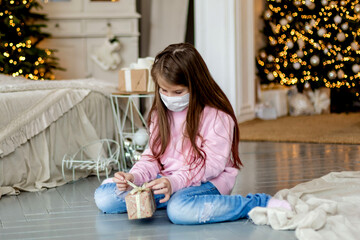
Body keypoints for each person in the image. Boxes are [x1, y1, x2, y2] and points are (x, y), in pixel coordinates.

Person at [94, 43, 291, 224]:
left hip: (207, 181)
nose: (169, 98)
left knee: (179, 211)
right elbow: (152, 157)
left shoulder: (217, 116)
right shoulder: (159, 113)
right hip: (166, 180)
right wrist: (134, 177)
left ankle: (257, 203)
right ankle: (167, 199)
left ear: (195, 85)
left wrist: (174, 182)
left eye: (178, 92)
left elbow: (212, 165)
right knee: (105, 197)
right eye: (164, 90)